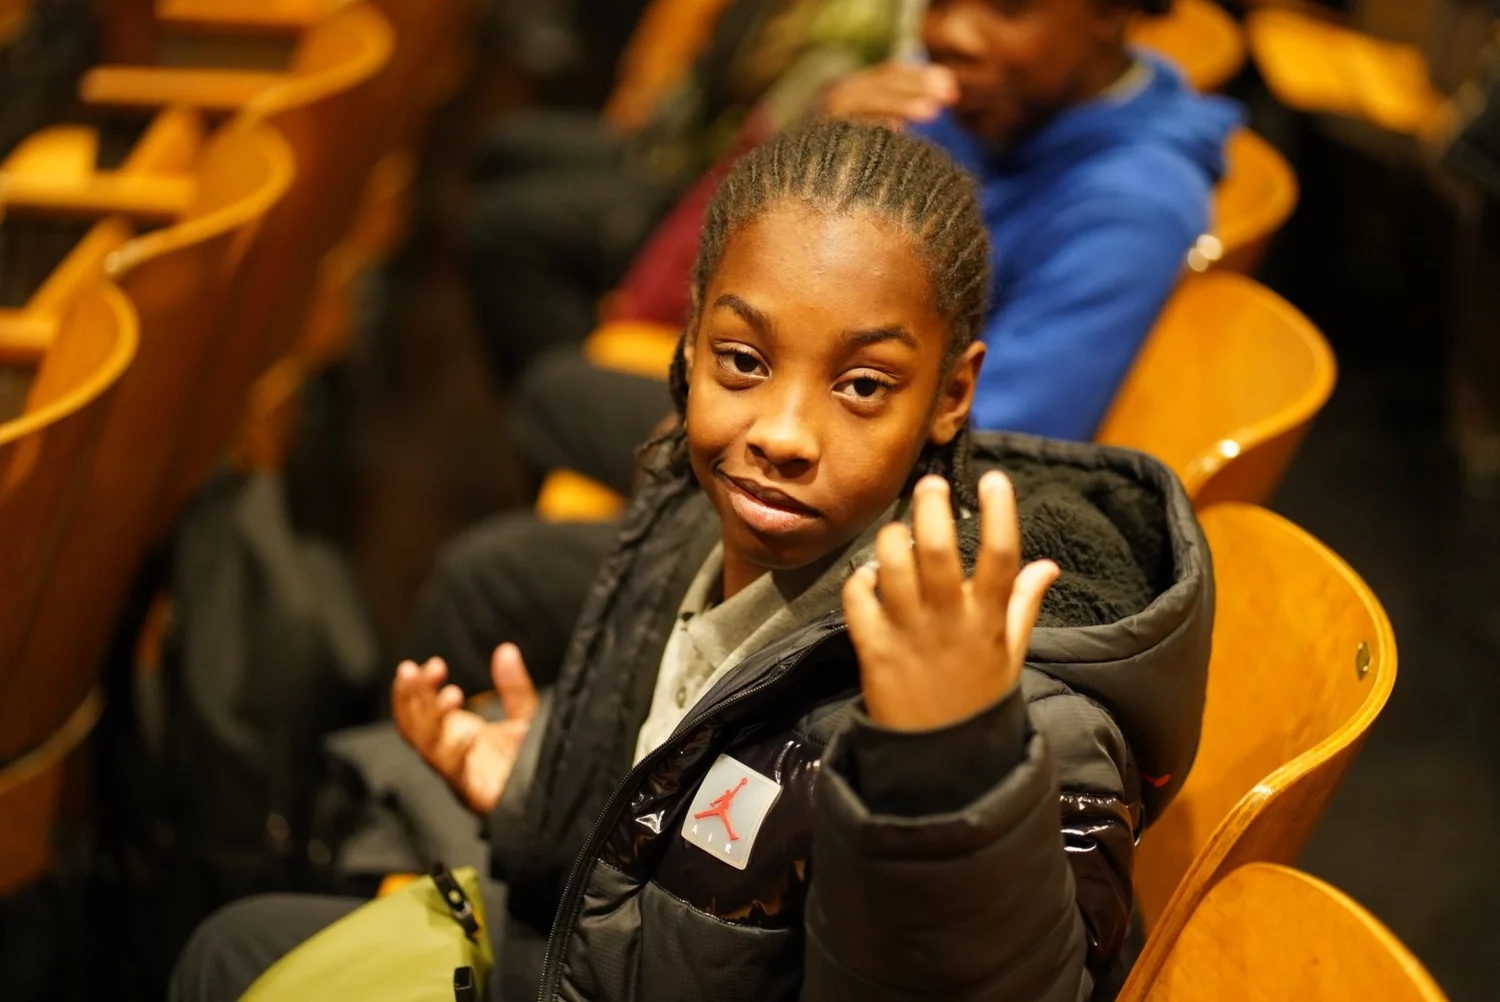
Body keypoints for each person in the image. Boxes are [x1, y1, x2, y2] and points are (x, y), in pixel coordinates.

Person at [172, 121, 1213, 1002]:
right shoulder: (696, 512)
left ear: (950, 394)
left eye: (862, 385)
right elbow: (677, 823)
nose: (783, 432)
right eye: (745, 363)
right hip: (609, 954)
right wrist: (536, 791)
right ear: (691, 342)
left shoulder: (1025, 710)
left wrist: (948, 771)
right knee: (231, 945)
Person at [511, 0, 1242, 492]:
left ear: (1111, 13)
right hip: (828, 396)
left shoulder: (1131, 206)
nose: (949, 30)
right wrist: (827, 146)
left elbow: (992, 451)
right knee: (559, 387)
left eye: (1008, 5)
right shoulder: (986, 110)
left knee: (524, 485)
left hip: (872, 497)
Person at [462, 0, 913, 377]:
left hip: (713, 191)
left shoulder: (862, 40)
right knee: (507, 146)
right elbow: (715, 82)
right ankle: (567, 394)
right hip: (688, 160)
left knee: (507, 231)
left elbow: (761, 154)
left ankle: (569, 395)